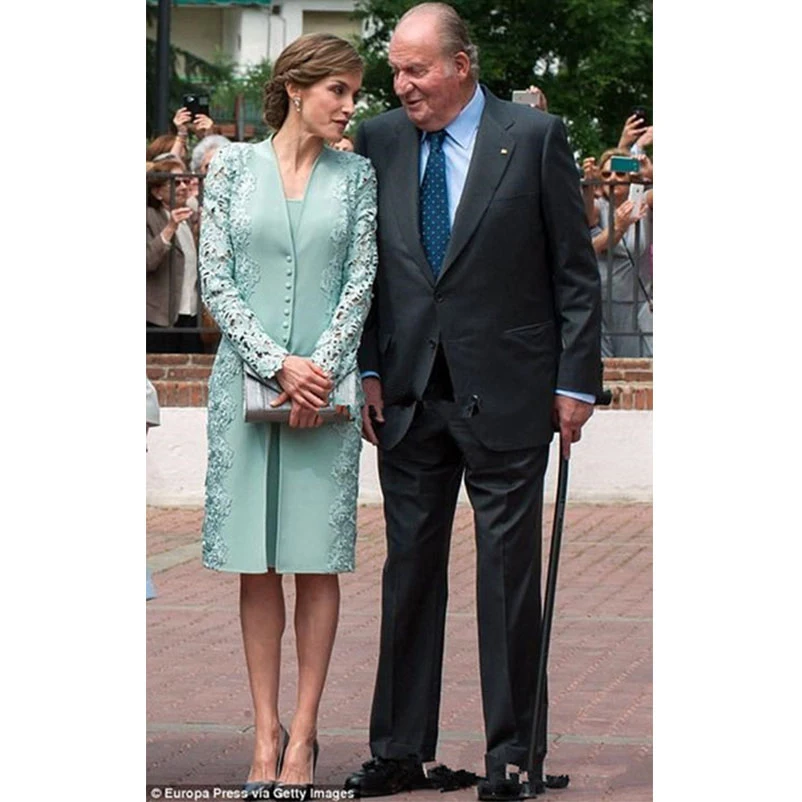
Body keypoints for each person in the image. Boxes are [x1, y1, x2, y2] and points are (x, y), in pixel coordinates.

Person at [344, 4, 601, 801]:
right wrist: (368, 369)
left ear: (461, 65)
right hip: (411, 397)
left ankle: (513, 755)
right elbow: (371, 269)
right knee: (409, 574)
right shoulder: (382, 139)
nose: (403, 85)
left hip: (512, 392)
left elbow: (573, 272)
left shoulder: (531, 138)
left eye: (417, 69)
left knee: (506, 579)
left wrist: (574, 382)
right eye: (397, 70)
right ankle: (397, 750)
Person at [197, 33, 377, 797]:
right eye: (338, 89)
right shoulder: (231, 168)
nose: (350, 105)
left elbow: (362, 278)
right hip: (245, 390)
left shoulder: (358, 174)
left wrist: (320, 372)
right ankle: (264, 729)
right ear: (296, 89)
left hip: (323, 397)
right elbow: (216, 277)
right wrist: (275, 363)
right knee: (258, 561)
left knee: (314, 558)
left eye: (354, 91)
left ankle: (304, 735)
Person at [587, 147, 653, 357]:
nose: (613, 178)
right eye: (606, 174)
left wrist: (651, 175)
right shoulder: (597, 207)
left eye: (620, 173)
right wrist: (619, 226)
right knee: (606, 371)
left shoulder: (643, 203)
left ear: (630, 177)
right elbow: (590, 247)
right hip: (601, 302)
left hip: (637, 303)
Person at [146, 155, 203, 354]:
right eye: (175, 183)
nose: (182, 187)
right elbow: (147, 262)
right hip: (159, 316)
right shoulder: (149, 217)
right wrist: (170, 228)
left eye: (185, 181)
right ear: (157, 192)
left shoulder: (189, 217)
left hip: (190, 312)